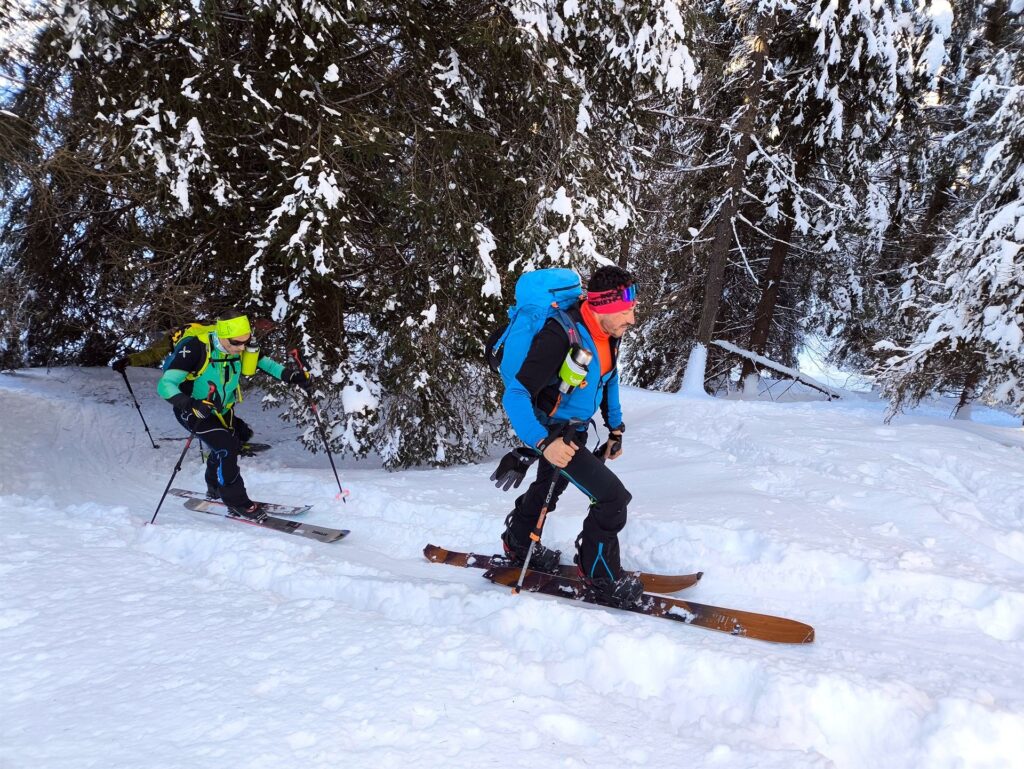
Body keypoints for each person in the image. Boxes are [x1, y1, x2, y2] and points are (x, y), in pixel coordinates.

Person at [498, 265, 642, 606]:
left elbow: (609, 378)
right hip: (553, 432)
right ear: (603, 307)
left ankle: (518, 542)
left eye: (632, 310)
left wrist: (615, 427)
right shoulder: (559, 334)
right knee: (612, 499)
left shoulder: (609, 333)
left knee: (551, 487)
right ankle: (600, 576)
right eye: (625, 312)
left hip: (574, 428)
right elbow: (515, 394)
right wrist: (544, 443)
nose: (632, 319)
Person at [156, 309, 311, 518]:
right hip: (193, 410)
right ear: (221, 336)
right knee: (226, 447)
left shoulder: (242, 344)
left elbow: (265, 363)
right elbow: (165, 385)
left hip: (223, 409)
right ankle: (237, 502)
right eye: (236, 343)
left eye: (245, 342)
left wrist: (292, 376)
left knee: (234, 441)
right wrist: (191, 404)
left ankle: (215, 487)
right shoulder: (195, 348)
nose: (241, 348)